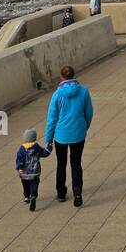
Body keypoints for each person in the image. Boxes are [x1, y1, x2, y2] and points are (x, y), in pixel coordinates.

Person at [43, 65, 94, 206]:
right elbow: (89, 112)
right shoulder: (83, 92)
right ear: (73, 75)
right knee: (76, 163)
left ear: (62, 77)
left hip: (61, 136)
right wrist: (85, 126)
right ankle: (77, 189)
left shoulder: (57, 94)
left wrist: (48, 138)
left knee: (61, 163)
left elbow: (51, 119)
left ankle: (61, 192)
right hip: (78, 133)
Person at [15, 128, 52, 211]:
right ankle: (33, 195)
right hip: (35, 172)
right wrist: (49, 147)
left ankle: (27, 196)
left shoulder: (21, 149)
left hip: (24, 173)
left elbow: (19, 159)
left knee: (25, 185)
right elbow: (44, 153)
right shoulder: (36, 147)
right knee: (34, 184)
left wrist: (20, 168)